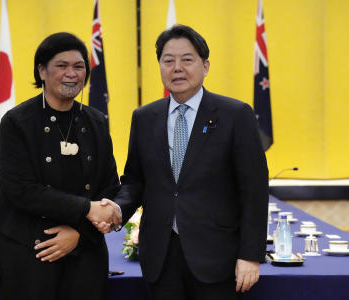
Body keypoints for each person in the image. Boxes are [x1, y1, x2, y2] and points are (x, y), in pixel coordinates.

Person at [97, 24, 269, 299]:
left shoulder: (235, 115)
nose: (177, 68)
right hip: (161, 259)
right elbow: (135, 181)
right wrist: (117, 208)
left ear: (206, 66)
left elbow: (254, 191)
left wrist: (250, 255)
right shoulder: (144, 117)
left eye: (187, 59)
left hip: (217, 259)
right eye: (168, 61)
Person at [0, 32, 121, 300]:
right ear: (42, 70)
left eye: (79, 66)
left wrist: (78, 235)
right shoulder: (17, 122)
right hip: (28, 247)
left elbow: (110, 186)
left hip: (84, 245)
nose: (71, 73)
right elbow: (20, 190)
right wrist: (86, 208)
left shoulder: (95, 120)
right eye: (62, 65)